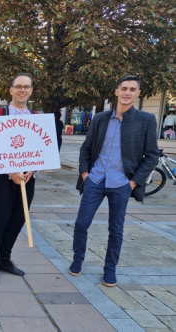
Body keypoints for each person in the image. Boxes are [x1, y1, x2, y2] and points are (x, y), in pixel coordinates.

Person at [70, 75, 159, 287]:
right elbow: (86, 149)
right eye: (124, 88)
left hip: (121, 183)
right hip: (96, 180)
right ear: (117, 91)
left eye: (132, 89)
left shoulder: (145, 120)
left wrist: (134, 182)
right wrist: (85, 175)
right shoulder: (100, 118)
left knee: (116, 229)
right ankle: (77, 260)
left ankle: (110, 270)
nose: (127, 92)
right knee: (82, 223)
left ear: (138, 94)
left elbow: (152, 155)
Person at [0, 73, 36, 284]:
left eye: (27, 87)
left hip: (27, 180)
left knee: (16, 221)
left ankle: (4, 259)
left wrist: (32, 170)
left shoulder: (36, 117)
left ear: (31, 91)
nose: (23, 90)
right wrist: (10, 172)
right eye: (18, 86)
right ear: (11, 90)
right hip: (3, 179)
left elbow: (40, 150)